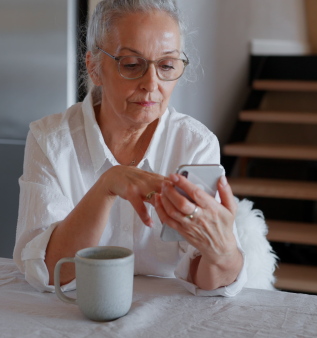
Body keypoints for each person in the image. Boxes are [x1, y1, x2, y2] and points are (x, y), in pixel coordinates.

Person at [14, 0, 255, 296]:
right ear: (94, 67)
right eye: (131, 64)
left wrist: (223, 252)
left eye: (167, 65)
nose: (151, 83)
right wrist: (107, 186)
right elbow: (50, 273)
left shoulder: (195, 143)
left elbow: (204, 279)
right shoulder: (50, 139)